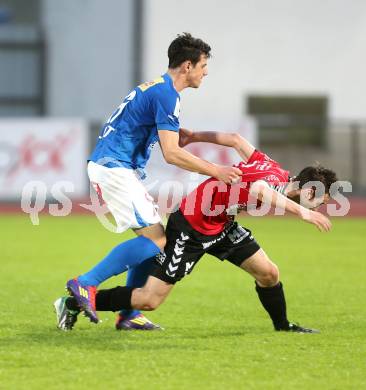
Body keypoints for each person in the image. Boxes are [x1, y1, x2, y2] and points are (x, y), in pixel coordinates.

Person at [54, 33, 242, 330]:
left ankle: (128, 315)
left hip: (113, 166)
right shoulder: (168, 94)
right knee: (156, 241)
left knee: (155, 238)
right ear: (187, 66)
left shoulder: (158, 88)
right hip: (113, 167)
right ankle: (85, 284)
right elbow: (171, 154)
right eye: (203, 65)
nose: (206, 72)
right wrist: (215, 170)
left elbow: (143, 124)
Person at [59, 132, 337, 333]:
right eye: (321, 200)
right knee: (149, 299)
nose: (321, 206)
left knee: (269, 273)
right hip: (192, 226)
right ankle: (73, 303)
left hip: (222, 225)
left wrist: (193, 136)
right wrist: (305, 212)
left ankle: (283, 327)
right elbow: (258, 190)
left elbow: (236, 140)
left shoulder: (274, 168)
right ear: (309, 189)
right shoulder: (273, 180)